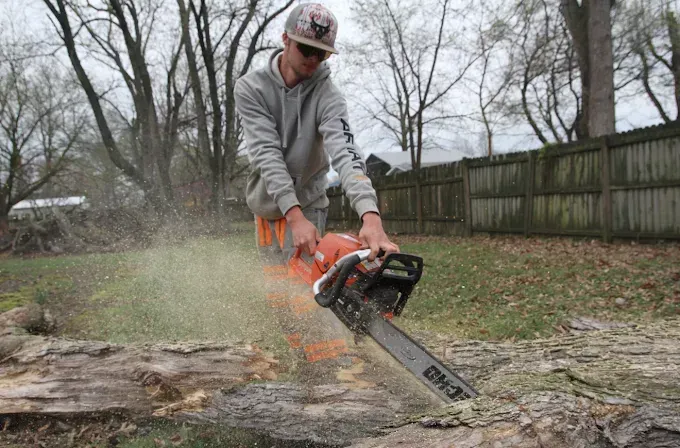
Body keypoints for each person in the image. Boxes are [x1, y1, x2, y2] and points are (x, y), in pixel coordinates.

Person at [234, 2, 398, 263]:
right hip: (267, 203)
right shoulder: (251, 89)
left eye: (321, 54)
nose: (312, 59)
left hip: (309, 203)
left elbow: (346, 152)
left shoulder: (328, 96)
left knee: (304, 295)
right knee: (275, 292)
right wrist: (293, 216)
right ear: (286, 39)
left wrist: (370, 215)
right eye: (306, 48)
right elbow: (266, 154)